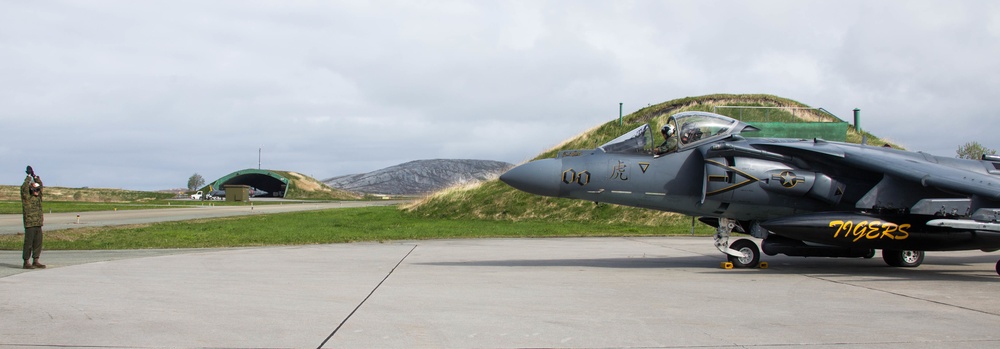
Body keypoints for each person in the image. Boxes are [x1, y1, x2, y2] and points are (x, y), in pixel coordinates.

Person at [20, 166, 45, 269]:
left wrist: (35, 177)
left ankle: (36, 260)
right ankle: (26, 261)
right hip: (30, 224)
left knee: (38, 243)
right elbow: (24, 188)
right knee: (28, 244)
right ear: (31, 190)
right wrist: (28, 177)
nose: (37, 191)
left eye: (37, 190)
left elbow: (41, 186)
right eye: (35, 190)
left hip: (38, 223)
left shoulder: (38, 197)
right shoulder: (27, 198)